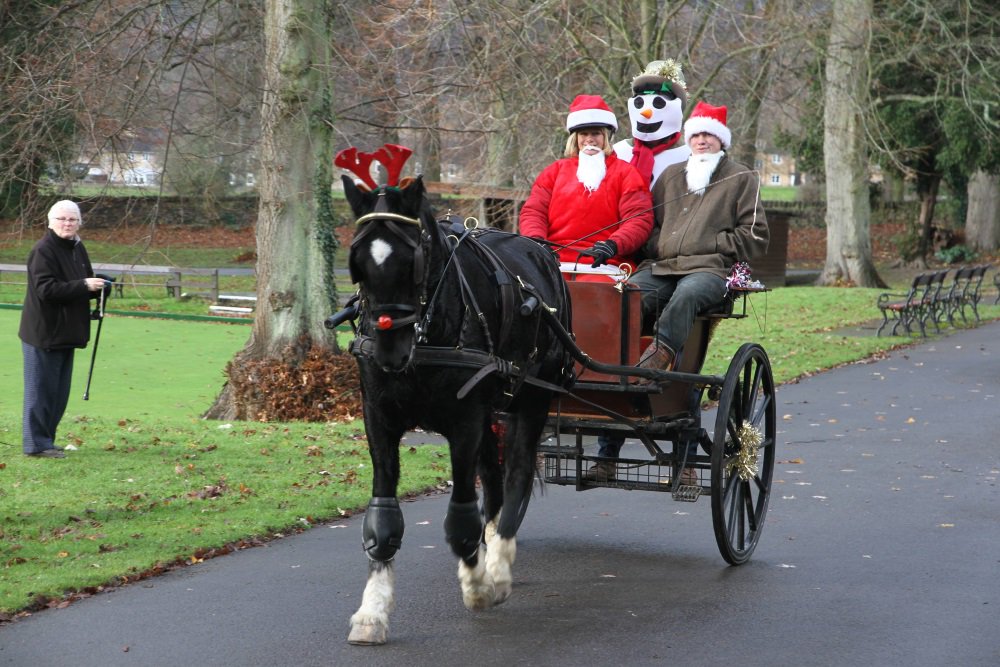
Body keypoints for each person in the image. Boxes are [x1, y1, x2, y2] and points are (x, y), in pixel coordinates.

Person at [587, 101, 770, 483]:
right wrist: (659, 247)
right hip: (664, 267)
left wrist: (715, 243)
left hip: (710, 271)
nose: (702, 141)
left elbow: (755, 235)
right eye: (696, 135)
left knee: (687, 294)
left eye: (708, 135)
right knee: (625, 293)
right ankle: (610, 376)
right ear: (689, 139)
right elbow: (649, 225)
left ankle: (658, 362)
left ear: (720, 140)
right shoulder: (671, 175)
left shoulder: (741, 178)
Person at [519, 94, 653, 269]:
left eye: (596, 133)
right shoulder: (554, 171)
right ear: (575, 138)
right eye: (584, 134)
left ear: (606, 137)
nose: (590, 139)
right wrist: (537, 242)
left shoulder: (626, 173)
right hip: (553, 260)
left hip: (605, 261)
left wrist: (614, 245)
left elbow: (639, 218)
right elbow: (534, 212)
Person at [19, 200, 109, 458]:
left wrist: (100, 287)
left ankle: (46, 440)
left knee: (58, 393)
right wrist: (84, 286)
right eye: (62, 219)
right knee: (41, 391)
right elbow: (46, 290)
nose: (67, 224)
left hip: (67, 333)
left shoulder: (77, 248)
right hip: (44, 333)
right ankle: (35, 445)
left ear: (79, 222)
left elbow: (82, 285)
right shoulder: (43, 250)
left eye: (72, 219)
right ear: (50, 221)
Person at [613, 60, 691, 189]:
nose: (646, 113)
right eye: (639, 103)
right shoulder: (618, 152)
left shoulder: (690, 156)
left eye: (659, 103)